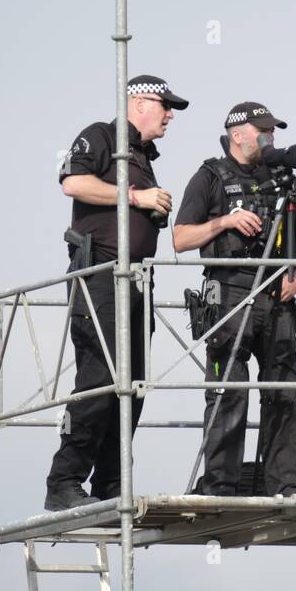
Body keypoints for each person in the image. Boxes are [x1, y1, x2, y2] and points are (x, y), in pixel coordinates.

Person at [44, 75, 189, 511]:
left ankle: (110, 482)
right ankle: (64, 481)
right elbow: (73, 183)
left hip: (136, 281)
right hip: (101, 275)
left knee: (133, 384)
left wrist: (149, 203)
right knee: (100, 378)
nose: (169, 117)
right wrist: (137, 196)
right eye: (165, 107)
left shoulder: (143, 155)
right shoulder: (102, 136)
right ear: (140, 103)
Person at [173, 102, 296, 496]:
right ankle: (221, 487)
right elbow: (180, 238)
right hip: (229, 291)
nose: (270, 137)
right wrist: (225, 222)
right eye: (262, 130)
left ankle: (287, 485)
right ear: (237, 134)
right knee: (227, 391)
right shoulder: (210, 176)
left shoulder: (281, 180)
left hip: (276, 294)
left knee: (283, 389)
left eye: (273, 131)